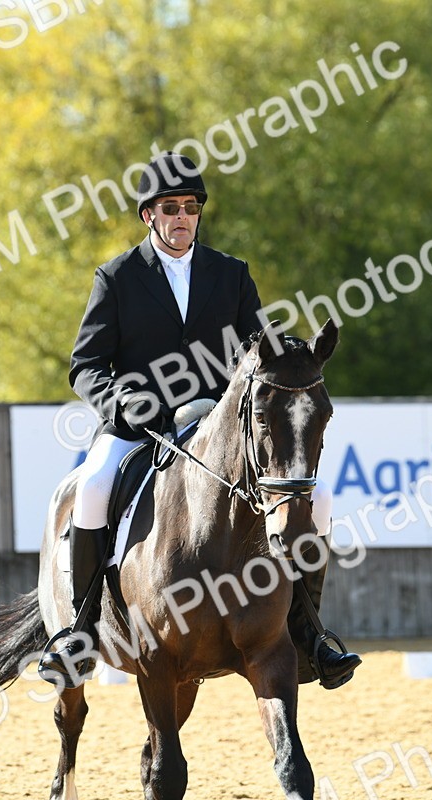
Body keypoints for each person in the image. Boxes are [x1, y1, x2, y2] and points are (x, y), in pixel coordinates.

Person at [38, 151, 361, 690]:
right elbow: (85, 365)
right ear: (149, 215)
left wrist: (297, 358)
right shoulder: (116, 277)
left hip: (215, 424)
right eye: (171, 207)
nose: (183, 216)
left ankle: (309, 631)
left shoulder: (231, 275)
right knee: (92, 487)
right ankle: (80, 630)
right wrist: (121, 402)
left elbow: (260, 352)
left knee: (319, 497)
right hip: (138, 424)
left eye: (191, 207)